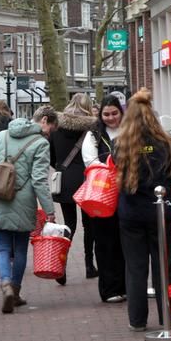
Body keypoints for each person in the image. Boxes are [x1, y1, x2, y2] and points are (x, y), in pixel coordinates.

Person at [114, 89, 171, 331]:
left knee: (134, 267)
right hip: (160, 212)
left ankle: (137, 320)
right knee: (164, 267)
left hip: (131, 214)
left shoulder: (120, 145)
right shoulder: (165, 144)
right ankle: (168, 316)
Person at [0, 105, 58, 313]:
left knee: (3, 248)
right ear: (43, 123)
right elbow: (39, 180)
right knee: (20, 249)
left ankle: (5, 284)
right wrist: (49, 210)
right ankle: (16, 291)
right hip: (23, 201)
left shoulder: (2, 135)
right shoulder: (40, 143)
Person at [82, 95, 127, 303]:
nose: (111, 118)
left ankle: (127, 286)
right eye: (106, 114)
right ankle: (110, 288)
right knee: (105, 241)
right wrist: (109, 168)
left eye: (114, 113)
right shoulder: (94, 135)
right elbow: (90, 161)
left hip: (126, 192)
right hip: (102, 194)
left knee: (125, 241)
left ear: (121, 112)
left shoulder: (129, 130)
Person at [49, 93, 97, 284]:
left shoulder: (57, 128)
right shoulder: (91, 128)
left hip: (65, 181)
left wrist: (62, 167)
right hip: (87, 181)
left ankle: (61, 266)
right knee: (89, 225)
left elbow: (52, 157)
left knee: (69, 224)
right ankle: (88, 265)